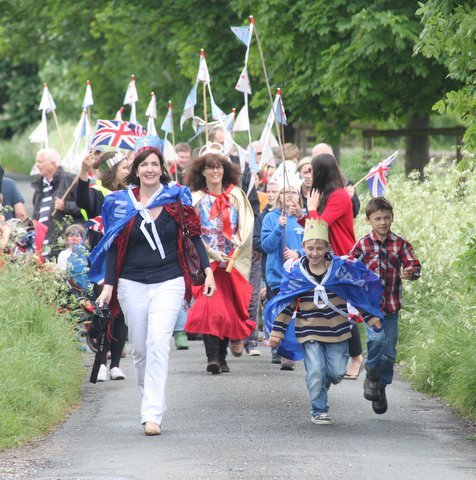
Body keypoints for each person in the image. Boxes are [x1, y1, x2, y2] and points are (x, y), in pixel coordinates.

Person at [92, 135, 215, 435]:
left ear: (162, 169)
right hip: (131, 283)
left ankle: (152, 413)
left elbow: (194, 236)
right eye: (144, 164)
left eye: (155, 164)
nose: (149, 169)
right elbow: (111, 245)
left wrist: (208, 270)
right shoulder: (119, 203)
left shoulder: (177, 197)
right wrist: (108, 286)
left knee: (159, 342)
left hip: (168, 281)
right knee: (141, 349)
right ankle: (149, 398)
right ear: (135, 170)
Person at [265, 218, 383, 425]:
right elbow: (288, 304)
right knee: (316, 370)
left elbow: (355, 295)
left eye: (320, 248)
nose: (315, 253)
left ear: (328, 247)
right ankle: (319, 409)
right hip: (309, 330)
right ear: (303, 247)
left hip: (337, 331)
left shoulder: (339, 269)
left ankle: (322, 383)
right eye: (310, 248)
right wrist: (277, 332)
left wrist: (371, 317)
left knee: (337, 372)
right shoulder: (297, 274)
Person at [184, 149, 255, 373]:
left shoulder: (237, 197)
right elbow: (190, 232)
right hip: (206, 261)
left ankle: (222, 357)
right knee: (208, 307)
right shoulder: (195, 199)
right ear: (201, 172)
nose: (215, 170)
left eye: (219, 166)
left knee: (227, 311)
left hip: (231, 261)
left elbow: (245, 227)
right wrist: (211, 253)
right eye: (210, 167)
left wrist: (237, 242)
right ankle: (212, 357)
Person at [350, 197, 421, 415]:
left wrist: (411, 272)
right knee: (376, 340)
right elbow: (350, 267)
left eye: (387, 218)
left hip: (391, 306)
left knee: (390, 352)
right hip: (371, 307)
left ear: (392, 218)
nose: (383, 222)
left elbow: (413, 263)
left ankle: (380, 387)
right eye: (378, 218)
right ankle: (371, 373)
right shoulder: (362, 244)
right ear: (368, 220)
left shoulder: (399, 243)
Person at [305, 153, 364, 379]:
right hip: (327, 257)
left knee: (344, 309)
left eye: (313, 171)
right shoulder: (325, 196)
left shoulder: (339, 196)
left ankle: (356, 356)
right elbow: (312, 227)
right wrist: (302, 213)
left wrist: (311, 208)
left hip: (342, 258)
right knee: (329, 307)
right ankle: (336, 356)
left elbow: (320, 225)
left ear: (322, 172)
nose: (310, 175)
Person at [76, 150, 131, 382]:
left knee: (122, 314)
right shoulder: (99, 193)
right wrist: (83, 172)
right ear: (113, 170)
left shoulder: (133, 195)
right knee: (105, 311)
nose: (129, 171)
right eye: (125, 167)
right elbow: (82, 201)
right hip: (102, 261)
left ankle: (116, 364)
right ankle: (100, 363)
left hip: (127, 259)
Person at [261, 181, 305, 370]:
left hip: (300, 277)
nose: (289, 195)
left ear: (299, 196)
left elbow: (318, 246)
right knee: (278, 312)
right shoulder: (271, 218)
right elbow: (267, 246)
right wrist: (279, 228)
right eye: (285, 192)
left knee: (295, 314)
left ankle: (290, 351)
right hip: (277, 277)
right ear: (279, 196)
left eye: (293, 192)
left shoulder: (305, 219)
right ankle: (277, 347)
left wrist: (298, 254)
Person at [32, 148, 83, 258]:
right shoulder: (39, 186)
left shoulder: (70, 180)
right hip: (41, 244)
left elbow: (85, 207)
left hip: (62, 245)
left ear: (53, 163)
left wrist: (66, 206)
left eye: (40, 162)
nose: (36, 165)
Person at [312, 143, 360, 218]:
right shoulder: (310, 183)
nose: (322, 161)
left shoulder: (344, 183)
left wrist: (350, 199)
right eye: (318, 158)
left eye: (326, 157)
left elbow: (355, 212)